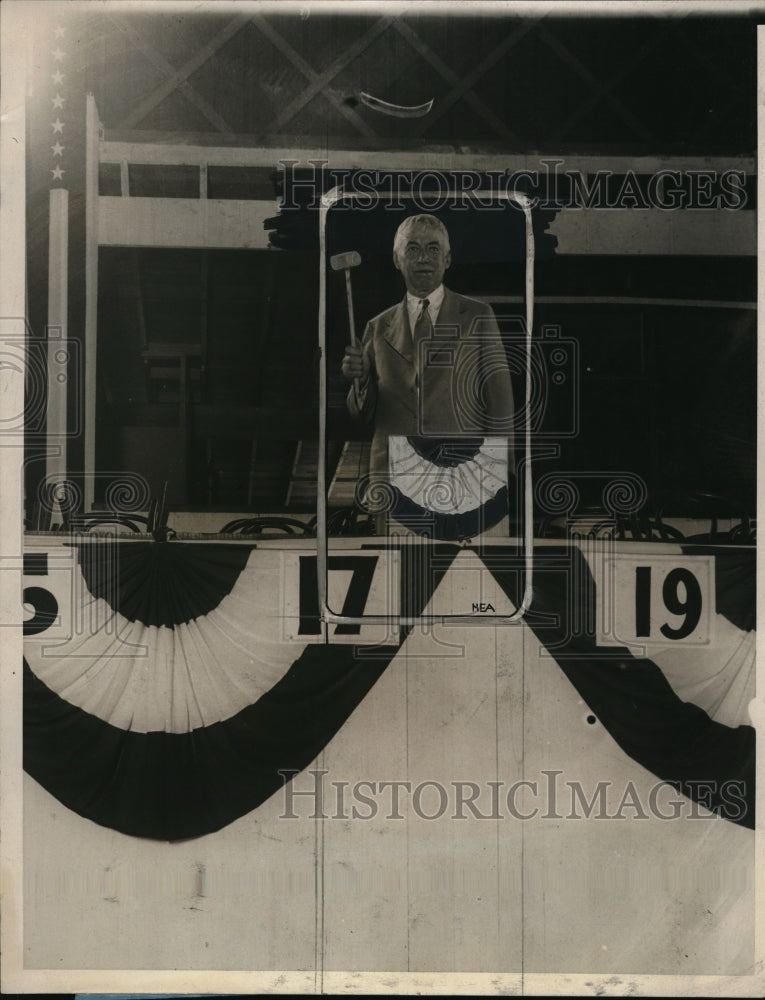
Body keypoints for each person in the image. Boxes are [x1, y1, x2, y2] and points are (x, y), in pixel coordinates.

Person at [341, 214, 515, 510]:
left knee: (463, 558)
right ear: (397, 259)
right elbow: (361, 415)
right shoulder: (376, 326)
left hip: (464, 472)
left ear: (447, 259)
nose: (424, 258)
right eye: (413, 249)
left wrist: (500, 470)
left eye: (434, 249)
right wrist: (360, 379)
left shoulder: (478, 317)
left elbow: (500, 399)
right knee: (394, 558)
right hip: (393, 475)